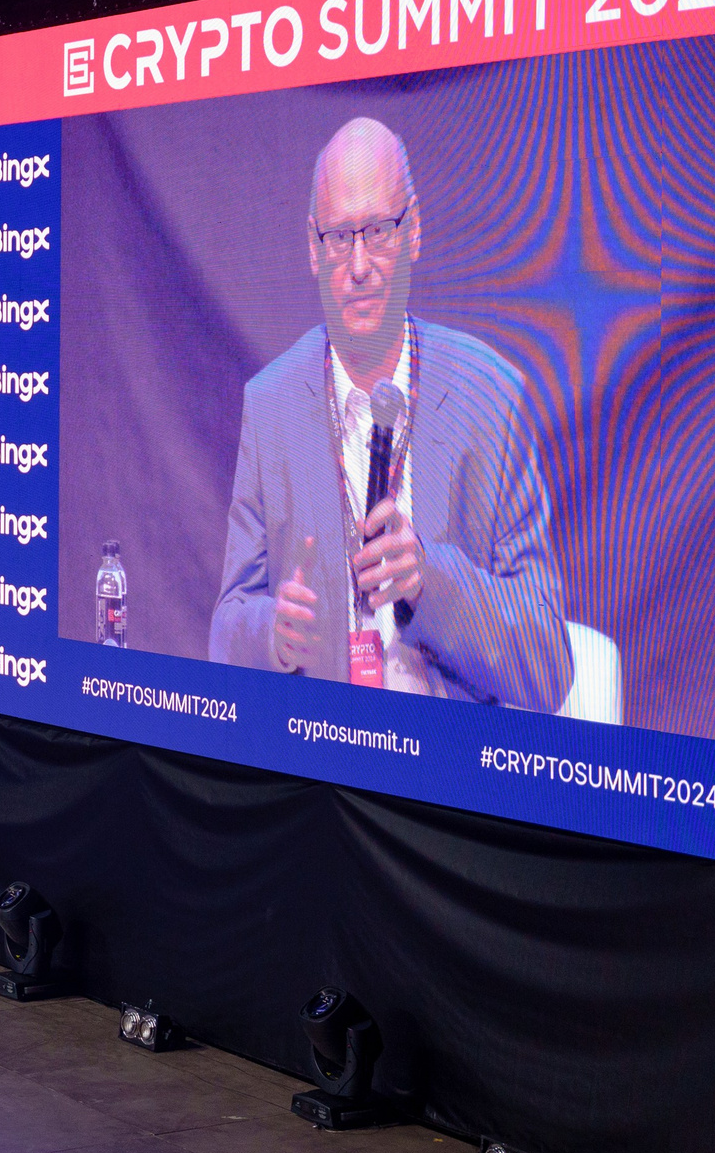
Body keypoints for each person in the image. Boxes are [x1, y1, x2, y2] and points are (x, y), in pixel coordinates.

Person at [209, 118, 572, 711]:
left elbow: (548, 666)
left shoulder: (490, 398)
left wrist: (430, 582)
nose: (357, 265)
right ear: (312, 248)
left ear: (414, 233)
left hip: (449, 780)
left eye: (378, 231)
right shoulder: (271, 406)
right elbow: (226, 628)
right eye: (338, 237)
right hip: (322, 761)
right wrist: (272, 635)